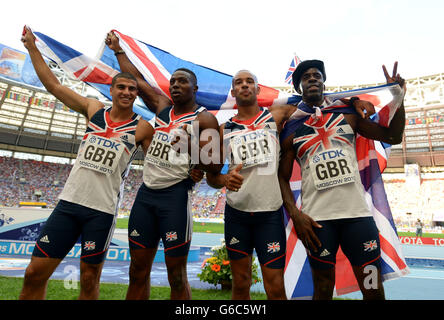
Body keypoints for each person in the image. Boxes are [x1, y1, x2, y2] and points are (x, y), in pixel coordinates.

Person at [205, 69, 374, 300]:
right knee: (240, 285)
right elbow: (211, 177)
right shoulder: (224, 130)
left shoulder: (277, 115)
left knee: (275, 289)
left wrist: (354, 100)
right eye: (238, 83)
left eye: (249, 81)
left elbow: (317, 99)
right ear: (233, 91)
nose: (244, 85)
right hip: (237, 215)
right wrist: (224, 179)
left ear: (257, 88)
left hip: (270, 214)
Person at [19, 27, 154, 300]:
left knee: (89, 280)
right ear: (112, 89)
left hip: (101, 212)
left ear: (136, 95)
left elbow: (157, 166)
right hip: (68, 204)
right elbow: (55, 86)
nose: (127, 92)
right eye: (122, 87)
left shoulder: (142, 128)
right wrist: (33, 47)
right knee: (34, 273)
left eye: (132, 89)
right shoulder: (94, 110)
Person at [105, 32, 222, 300]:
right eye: (172, 82)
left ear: (195, 89)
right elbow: (138, 82)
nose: (176, 85)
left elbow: (215, 166)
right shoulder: (161, 106)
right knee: (137, 271)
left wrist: (193, 151)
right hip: (146, 195)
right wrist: (119, 51)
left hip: (175, 197)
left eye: (183, 82)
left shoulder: (204, 119)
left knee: (176, 277)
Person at [278, 59, 406, 300]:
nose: (313, 78)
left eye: (317, 75)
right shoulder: (292, 130)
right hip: (318, 223)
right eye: (306, 77)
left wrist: (399, 98)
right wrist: (296, 215)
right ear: (299, 88)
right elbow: (281, 178)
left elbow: (393, 135)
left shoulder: (347, 116)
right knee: (323, 290)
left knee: (372, 287)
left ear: (324, 82)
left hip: (357, 219)